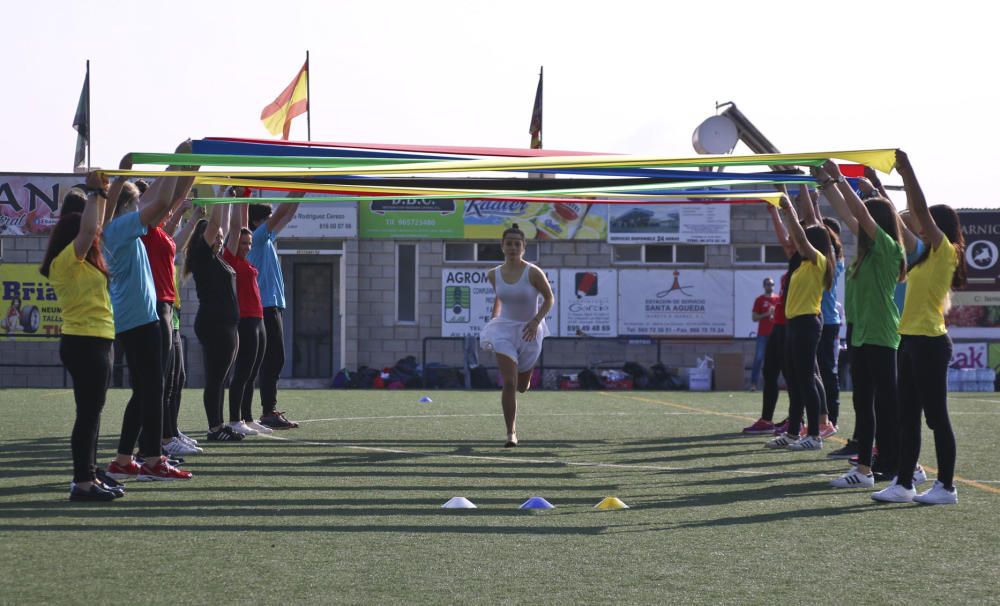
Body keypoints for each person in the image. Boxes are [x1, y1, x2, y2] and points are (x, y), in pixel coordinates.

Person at [872, 150, 965, 505]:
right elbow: (899, 218)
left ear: (937, 226)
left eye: (926, 223)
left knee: (936, 418)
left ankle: (946, 487)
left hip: (930, 342)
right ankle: (905, 483)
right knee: (907, 417)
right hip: (909, 340)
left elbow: (918, 209)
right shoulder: (922, 253)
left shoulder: (947, 251)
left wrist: (906, 169)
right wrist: (876, 189)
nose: (918, 225)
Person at [102, 149, 195, 482]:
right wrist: (175, 165)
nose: (139, 207)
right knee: (152, 388)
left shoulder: (117, 228)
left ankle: (126, 460)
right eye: (135, 202)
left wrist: (182, 168)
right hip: (138, 319)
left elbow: (162, 206)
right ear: (129, 206)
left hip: (136, 318)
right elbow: (160, 204)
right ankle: (152, 459)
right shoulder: (119, 229)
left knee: (146, 389)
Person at [817, 160, 907, 488]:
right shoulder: (867, 253)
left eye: (868, 218)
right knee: (863, 402)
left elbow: (862, 216)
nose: (859, 224)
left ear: (878, 223)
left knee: (884, 405)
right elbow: (848, 215)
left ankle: (895, 466)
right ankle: (867, 469)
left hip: (882, 334)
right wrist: (826, 183)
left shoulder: (889, 249)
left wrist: (842, 177)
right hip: (860, 334)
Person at [40, 173, 123, 501]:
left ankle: (89, 476)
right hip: (85, 342)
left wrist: (103, 195)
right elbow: (90, 229)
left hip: (98, 340)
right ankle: (83, 482)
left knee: (93, 412)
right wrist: (95, 191)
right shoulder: (66, 262)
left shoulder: (83, 263)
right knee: (88, 414)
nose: (93, 240)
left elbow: (95, 227)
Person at [764, 195, 834, 451]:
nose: (797, 242)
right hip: (794, 324)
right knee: (793, 380)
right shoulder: (803, 264)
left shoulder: (819, 261)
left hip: (807, 324)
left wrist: (788, 210)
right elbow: (798, 239)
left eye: (804, 239)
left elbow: (802, 237)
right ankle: (793, 432)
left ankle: (813, 435)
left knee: (805, 379)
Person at [479, 223, 555, 447]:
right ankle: (511, 432)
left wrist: (535, 321)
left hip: (529, 330)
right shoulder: (493, 274)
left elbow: (549, 298)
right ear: (502, 247)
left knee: (522, 386)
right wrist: (494, 319)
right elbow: (500, 297)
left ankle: (526, 379)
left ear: (523, 247)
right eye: (509, 243)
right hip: (503, 330)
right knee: (509, 382)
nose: (513, 247)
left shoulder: (533, 272)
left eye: (517, 244)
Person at [182, 199, 242, 442]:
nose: (220, 239)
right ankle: (214, 428)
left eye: (220, 237)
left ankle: (219, 425)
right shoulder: (201, 255)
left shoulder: (216, 257)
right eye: (215, 237)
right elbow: (217, 223)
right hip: (214, 324)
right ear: (204, 237)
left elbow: (224, 226)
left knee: (222, 378)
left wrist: (229, 198)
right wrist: (221, 194)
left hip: (225, 324)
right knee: (216, 378)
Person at [247, 193, 303, 429]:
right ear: (258, 222)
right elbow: (281, 214)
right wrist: (296, 186)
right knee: (272, 359)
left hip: (274, 304)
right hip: (265, 305)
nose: (273, 222)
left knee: (274, 359)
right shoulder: (258, 238)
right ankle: (267, 411)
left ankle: (267, 409)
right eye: (268, 219)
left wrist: (303, 191)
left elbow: (287, 216)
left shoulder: (267, 238)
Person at [223, 195, 271, 436]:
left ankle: (248, 417)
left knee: (253, 371)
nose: (247, 247)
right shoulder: (230, 258)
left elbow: (241, 228)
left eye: (249, 243)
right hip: (244, 320)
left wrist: (246, 194)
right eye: (243, 243)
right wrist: (238, 198)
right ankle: (234, 419)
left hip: (258, 318)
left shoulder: (247, 261)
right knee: (242, 371)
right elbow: (235, 227)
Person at [749, 277, 778, 391]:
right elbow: (754, 317)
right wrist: (766, 314)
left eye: (771, 284)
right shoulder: (759, 300)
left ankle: (771, 384)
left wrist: (774, 314)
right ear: (764, 286)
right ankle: (753, 384)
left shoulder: (778, 299)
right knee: (759, 358)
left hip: (776, 335)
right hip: (763, 334)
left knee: (776, 360)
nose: (769, 286)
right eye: (767, 284)